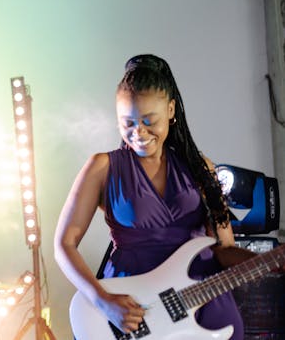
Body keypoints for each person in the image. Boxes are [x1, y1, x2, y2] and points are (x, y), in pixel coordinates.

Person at [53, 54, 268, 340]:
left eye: (148, 120)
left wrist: (269, 261)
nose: (138, 132)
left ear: (170, 110)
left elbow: (224, 247)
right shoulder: (102, 167)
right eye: (126, 123)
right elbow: (64, 245)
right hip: (135, 309)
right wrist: (103, 301)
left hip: (201, 298)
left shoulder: (200, 167)